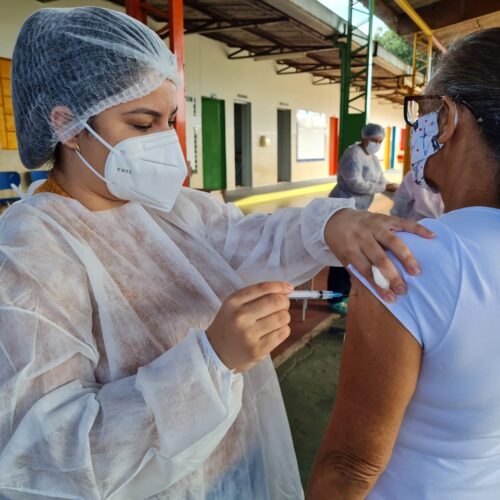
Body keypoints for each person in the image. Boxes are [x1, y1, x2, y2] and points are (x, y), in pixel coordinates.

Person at [0, 7, 433, 499]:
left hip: (232, 470)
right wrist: (211, 361)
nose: (164, 141)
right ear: (68, 126)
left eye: (168, 120)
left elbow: (246, 240)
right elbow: (47, 457)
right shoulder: (32, 250)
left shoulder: (168, 210)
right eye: (142, 124)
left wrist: (331, 224)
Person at [309, 28, 500, 499]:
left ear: (449, 119)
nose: (416, 132)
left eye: (422, 113)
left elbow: (351, 468)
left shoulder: (413, 260)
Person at [327, 123, 399, 315]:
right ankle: (335, 295)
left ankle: (344, 292)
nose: (377, 144)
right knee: (341, 252)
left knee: (351, 252)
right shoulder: (353, 154)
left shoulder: (373, 158)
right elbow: (355, 183)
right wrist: (383, 187)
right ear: (365, 137)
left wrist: (389, 187)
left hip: (358, 209)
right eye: (374, 140)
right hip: (342, 206)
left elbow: (380, 180)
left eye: (380, 141)